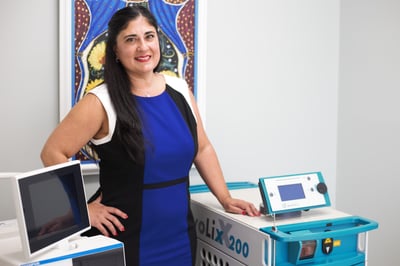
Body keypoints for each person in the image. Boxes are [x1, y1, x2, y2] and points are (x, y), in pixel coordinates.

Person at [41, 6, 260, 266]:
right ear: (116, 50)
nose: (143, 47)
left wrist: (224, 197)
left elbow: (203, 149)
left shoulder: (179, 89)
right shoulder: (100, 101)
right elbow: (52, 152)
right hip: (124, 240)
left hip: (179, 238)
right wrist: (83, 209)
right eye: (131, 40)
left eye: (149, 36)